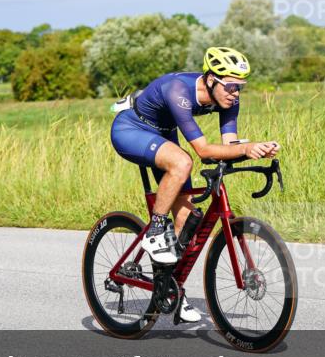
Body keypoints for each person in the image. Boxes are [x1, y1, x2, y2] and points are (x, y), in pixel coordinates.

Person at [109, 47, 280, 321]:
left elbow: (230, 145)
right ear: (211, 79)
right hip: (132, 129)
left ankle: (170, 289)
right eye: (232, 86)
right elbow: (203, 151)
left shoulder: (228, 99)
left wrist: (255, 149)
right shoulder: (179, 90)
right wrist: (246, 149)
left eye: (241, 87)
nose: (236, 93)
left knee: (187, 218)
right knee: (183, 162)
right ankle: (155, 230)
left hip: (164, 134)